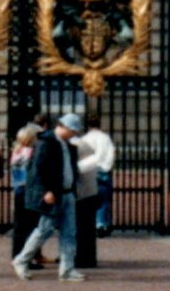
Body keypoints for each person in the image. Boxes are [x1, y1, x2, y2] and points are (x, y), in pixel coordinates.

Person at [11, 112, 84, 282]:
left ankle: (67, 269)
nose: (74, 134)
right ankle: (21, 260)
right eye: (73, 131)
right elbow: (38, 169)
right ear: (64, 127)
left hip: (66, 193)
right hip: (55, 193)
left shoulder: (64, 144)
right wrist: (46, 191)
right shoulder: (46, 143)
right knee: (44, 229)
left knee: (69, 232)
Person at [73, 118, 103, 271]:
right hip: (91, 190)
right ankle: (88, 258)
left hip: (81, 192)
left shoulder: (74, 146)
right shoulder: (84, 144)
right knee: (87, 228)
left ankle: (80, 257)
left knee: (80, 227)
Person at [8, 126, 40, 260]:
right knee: (32, 225)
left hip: (18, 189)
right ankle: (27, 256)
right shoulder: (31, 152)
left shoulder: (16, 151)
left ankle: (17, 253)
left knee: (20, 226)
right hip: (29, 189)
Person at [86, 117, 117, 238]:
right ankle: (101, 224)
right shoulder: (105, 138)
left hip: (88, 171)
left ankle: (90, 223)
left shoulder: (85, 139)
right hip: (103, 171)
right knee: (103, 199)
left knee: (88, 200)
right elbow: (111, 154)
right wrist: (106, 167)